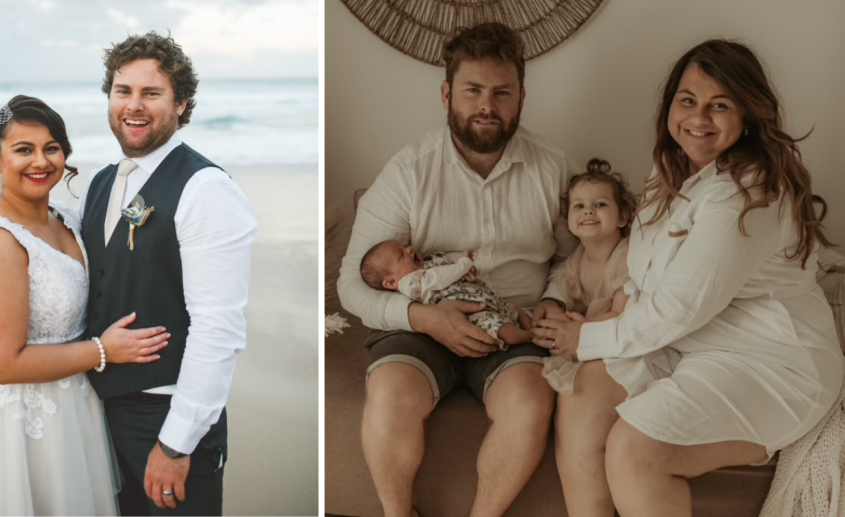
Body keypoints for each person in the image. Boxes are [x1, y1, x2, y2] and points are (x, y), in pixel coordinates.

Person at [532, 39, 844, 517]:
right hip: (685, 342)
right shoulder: (669, 171)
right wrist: (614, 310)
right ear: (670, 106)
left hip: (767, 361)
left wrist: (587, 337)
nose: (699, 117)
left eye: (720, 105)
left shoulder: (747, 192)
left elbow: (680, 306)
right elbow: (648, 274)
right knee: (580, 398)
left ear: (748, 115)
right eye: (688, 100)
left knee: (636, 450)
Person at [337, 22, 577, 517]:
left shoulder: (553, 169)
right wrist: (426, 319)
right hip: (424, 321)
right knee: (388, 394)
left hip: (517, 320)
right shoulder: (408, 172)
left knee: (531, 405)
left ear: (521, 99)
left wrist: (553, 300)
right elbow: (349, 285)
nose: (487, 105)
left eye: (501, 92)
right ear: (448, 94)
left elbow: (574, 257)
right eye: (473, 90)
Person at [0, 95, 171, 515]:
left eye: (51, 147)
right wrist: (104, 351)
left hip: (75, 403)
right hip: (17, 417)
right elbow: (4, 363)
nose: (41, 161)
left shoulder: (67, 218)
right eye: (23, 149)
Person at [78, 32, 257, 516]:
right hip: (101, 412)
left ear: (181, 104)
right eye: (123, 91)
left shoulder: (206, 189)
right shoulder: (100, 183)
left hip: (168, 416)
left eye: (151, 93)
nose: (133, 106)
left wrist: (176, 444)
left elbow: (218, 329)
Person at [540, 158, 637, 394]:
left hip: (620, 341)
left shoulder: (624, 258)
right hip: (588, 334)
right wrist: (554, 322)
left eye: (601, 204)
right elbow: (564, 291)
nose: (588, 211)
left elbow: (620, 316)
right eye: (579, 206)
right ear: (569, 221)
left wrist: (580, 329)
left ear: (622, 217)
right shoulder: (577, 259)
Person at [360, 241, 533, 349]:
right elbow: (441, 277)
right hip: (473, 313)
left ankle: (534, 327)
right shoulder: (411, 283)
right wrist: (463, 264)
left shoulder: (428, 262)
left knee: (516, 310)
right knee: (503, 329)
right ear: (391, 283)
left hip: (487, 298)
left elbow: (450, 268)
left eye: (405, 246)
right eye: (401, 255)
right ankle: (529, 337)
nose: (409, 250)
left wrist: (467, 272)